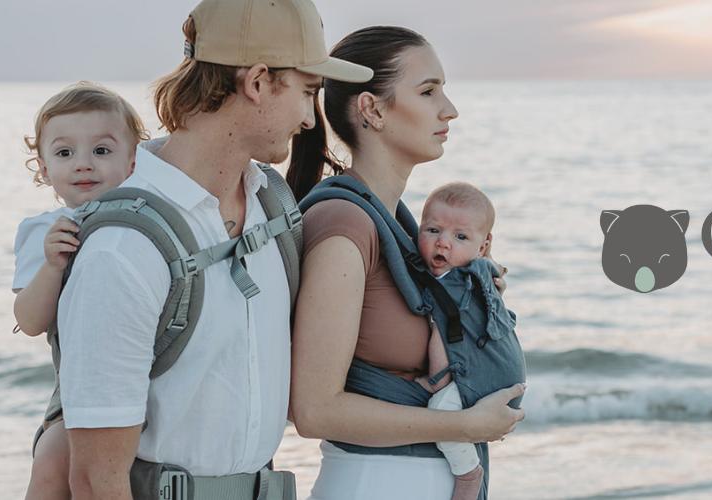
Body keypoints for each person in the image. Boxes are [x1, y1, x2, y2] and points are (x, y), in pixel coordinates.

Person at [54, 1, 371, 498]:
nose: (310, 119)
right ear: (259, 82)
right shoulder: (123, 251)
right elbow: (96, 479)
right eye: (307, 91)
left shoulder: (273, 206)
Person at [285, 26, 526, 499]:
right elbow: (313, 410)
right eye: (428, 90)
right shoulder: (344, 222)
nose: (449, 108)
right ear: (372, 109)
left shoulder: (404, 230)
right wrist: (464, 426)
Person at [10, 81, 147, 500]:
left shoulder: (147, 222)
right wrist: (53, 266)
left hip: (153, 378)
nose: (83, 165)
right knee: (53, 459)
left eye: (101, 151)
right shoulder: (43, 231)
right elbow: (29, 321)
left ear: (132, 161)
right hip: (80, 387)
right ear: (44, 167)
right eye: (65, 153)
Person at [415, 182, 506, 500]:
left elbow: (444, 335)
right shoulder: (473, 273)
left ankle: (469, 473)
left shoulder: (456, 284)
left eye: (460, 237)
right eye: (432, 230)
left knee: (441, 411)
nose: (443, 243)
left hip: (490, 378)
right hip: (493, 370)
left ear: (483, 246)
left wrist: (436, 380)